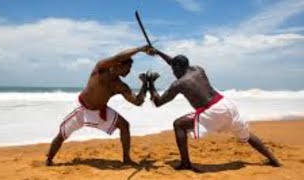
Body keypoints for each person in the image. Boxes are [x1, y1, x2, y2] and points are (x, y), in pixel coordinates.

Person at [146, 48, 282, 171]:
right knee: (245, 134)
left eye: (174, 70)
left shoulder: (179, 84)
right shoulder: (198, 69)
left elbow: (158, 102)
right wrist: (158, 52)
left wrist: (151, 84)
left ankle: (186, 163)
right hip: (227, 104)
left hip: (213, 111)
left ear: (178, 68)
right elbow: (174, 62)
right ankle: (273, 159)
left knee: (178, 125)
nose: (173, 72)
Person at [45, 45, 152, 166]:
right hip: (82, 108)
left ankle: (126, 159)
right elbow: (118, 57)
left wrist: (145, 85)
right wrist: (140, 49)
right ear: (118, 65)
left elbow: (137, 102)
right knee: (62, 135)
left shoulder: (120, 85)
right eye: (128, 67)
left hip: (100, 111)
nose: (129, 71)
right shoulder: (101, 68)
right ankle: (49, 159)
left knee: (124, 125)